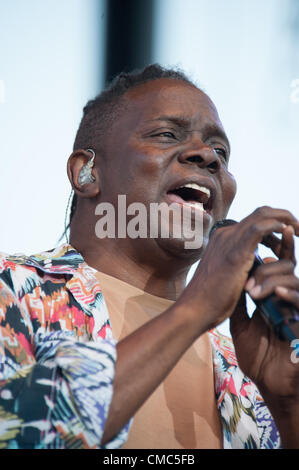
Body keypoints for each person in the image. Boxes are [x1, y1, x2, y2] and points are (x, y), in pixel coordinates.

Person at [0, 64, 299, 450]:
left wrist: (288, 412)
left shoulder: (241, 369)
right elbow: (18, 431)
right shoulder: (13, 290)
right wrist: (193, 311)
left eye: (221, 151)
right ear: (87, 173)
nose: (208, 155)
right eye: (166, 135)